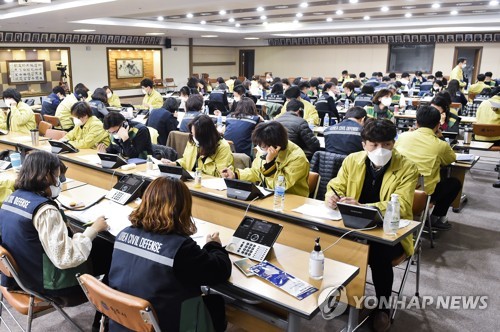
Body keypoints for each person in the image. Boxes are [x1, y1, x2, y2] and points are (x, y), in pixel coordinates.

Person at [325, 119, 418, 332]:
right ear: (363, 144)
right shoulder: (352, 160)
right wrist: (331, 196)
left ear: (393, 143)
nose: (381, 150)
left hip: (390, 229)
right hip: (353, 223)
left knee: (378, 253)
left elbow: (402, 205)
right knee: (331, 243)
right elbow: (335, 185)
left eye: (386, 144)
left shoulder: (407, 167)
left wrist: (365, 206)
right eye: (374, 144)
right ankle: (342, 293)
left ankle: (382, 307)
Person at [108, 176, 231, 332]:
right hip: (162, 323)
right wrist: (214, 246)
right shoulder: (180, 248)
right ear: (182, 208)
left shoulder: (123, 234)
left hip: (123, 320)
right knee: (216, 303)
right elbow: (219, 271)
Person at [0, 151, 109, 304]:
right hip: (47, 284)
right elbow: (66, 257)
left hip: (22, 275)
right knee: (111, 252)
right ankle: (105, 315)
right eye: (57, 176)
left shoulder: (13, 197)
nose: (59, 181)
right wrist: (93, 230)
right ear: (45, 177)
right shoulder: (45, 211)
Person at [395, 106, 460, 230]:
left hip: (397, 188)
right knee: (453, 183)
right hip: (422, 193)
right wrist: (440, 137)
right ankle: (435, 218)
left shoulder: (403, 136)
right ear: (437, 125)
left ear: (417, 122)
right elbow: (451, 159)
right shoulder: (440, 145)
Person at [221, 121, 309, 197]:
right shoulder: (266, 150)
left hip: (291, 199)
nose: (260, 149)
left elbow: (281, 186)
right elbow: (256, 172)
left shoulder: (297, 157)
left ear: (275, 146)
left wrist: (270, 163)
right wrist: (235, 175)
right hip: (269, 195)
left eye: (263, 147)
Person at [162, 114, 233, 177]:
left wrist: (202, 159)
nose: (193, 136)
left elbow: (220, 174)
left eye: (196, 135)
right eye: (192, 133)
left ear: (204, 137)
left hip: (208, 185)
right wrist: (174, 164)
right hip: (191, 180)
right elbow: (186, 160)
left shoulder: (223, 147)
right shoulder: (192, 140)